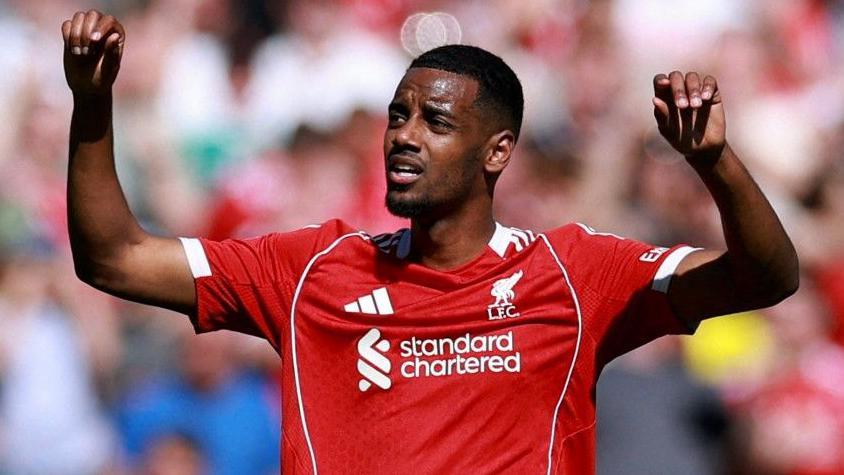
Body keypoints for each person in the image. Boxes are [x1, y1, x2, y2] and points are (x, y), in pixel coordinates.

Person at [62, 10, 799, 474]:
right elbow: (114, 257)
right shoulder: (311, 268)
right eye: (398, 116)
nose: (404, 137)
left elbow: (764, 277)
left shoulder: (575, 274)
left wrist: (714, 161)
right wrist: (92, 106)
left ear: (498, 152)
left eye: (436, 123)